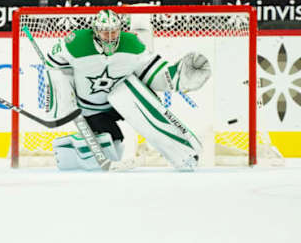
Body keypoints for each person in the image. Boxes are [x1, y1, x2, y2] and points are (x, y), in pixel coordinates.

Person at [46, 9, 211, 171]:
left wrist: (176, 79)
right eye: (105, 33)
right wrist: (64, 95)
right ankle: (71, 150)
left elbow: (151, 69)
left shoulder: (131, 44)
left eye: (114, 32)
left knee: (142, 103)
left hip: (122, 98)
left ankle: (182, 155)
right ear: (95, 31)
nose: (110, 37)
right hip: (91, 109)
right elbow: (54, 64)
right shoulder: (77, 42)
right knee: (112, 146)